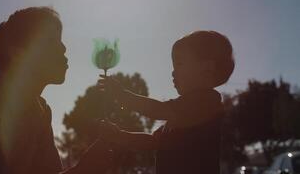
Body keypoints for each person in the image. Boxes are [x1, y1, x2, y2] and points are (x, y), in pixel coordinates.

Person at [0, 7, 112, 174]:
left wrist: (87, 167)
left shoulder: (41, 111)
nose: (63, 48)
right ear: (16, 53)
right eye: (50, 41)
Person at [99, 30, 235, 174]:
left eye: (179, 64)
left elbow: (158, 109)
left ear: (207, 68)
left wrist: (123, 96)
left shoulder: (207, 102)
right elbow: (153, 141)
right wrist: (120, 136)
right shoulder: (180, 114)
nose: (173, 72)